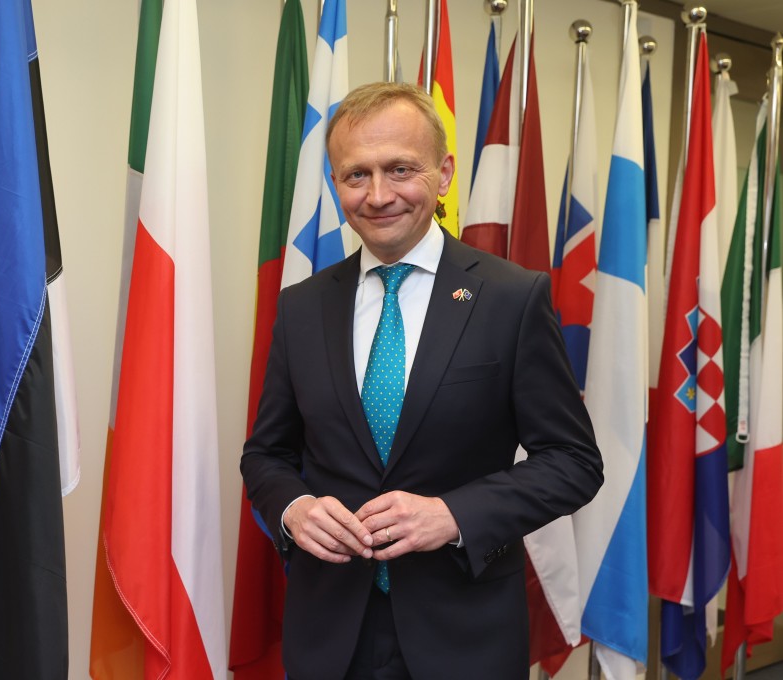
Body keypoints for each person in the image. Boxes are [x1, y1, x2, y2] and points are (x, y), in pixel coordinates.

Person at [240, 81, 603, 680]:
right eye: (356, 175)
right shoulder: (302, 306)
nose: (379, 195)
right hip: (329, 634)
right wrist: (294, 508)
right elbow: (266, 454)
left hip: (465, 636)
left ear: (444, 175)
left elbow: (573, 461)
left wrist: (454, 515)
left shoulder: (511, 298)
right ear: (334, 184)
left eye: (400, 169)